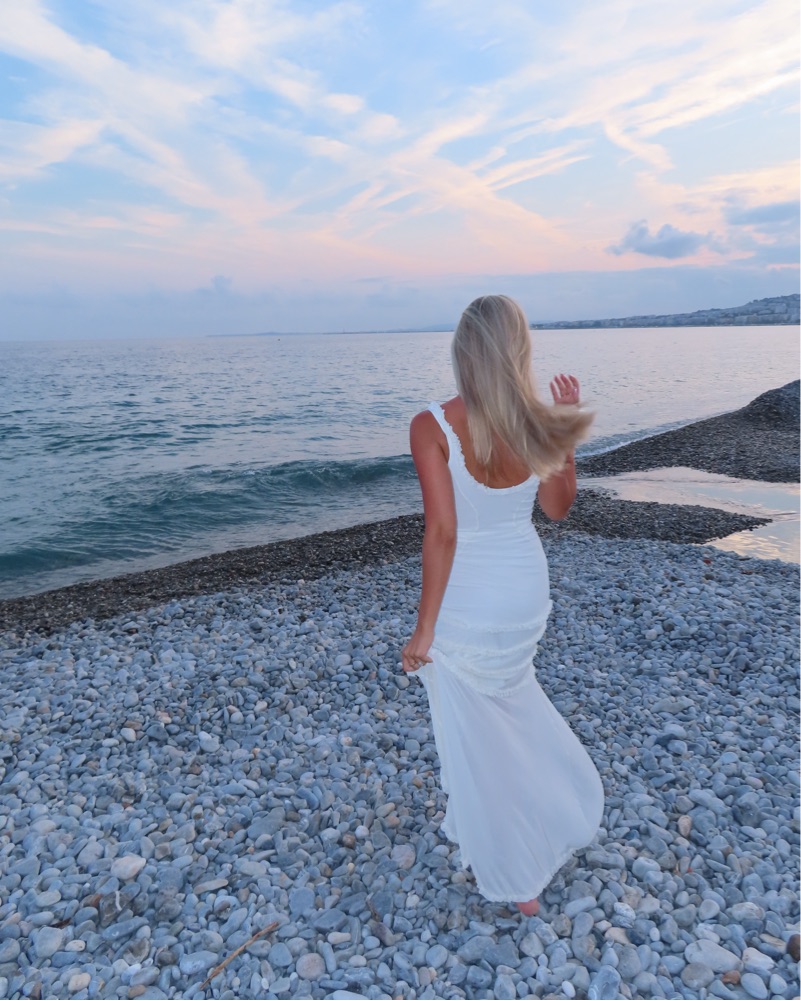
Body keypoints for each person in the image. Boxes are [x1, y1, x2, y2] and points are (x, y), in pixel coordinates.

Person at [401, 294, 604, 916]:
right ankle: (530, 816)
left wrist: (423, 630)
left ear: (463, 350)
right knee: (504, 709)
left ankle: (518, 874)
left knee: (478, 731)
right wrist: (564, 427)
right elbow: (557, 510)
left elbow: (443, 533)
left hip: (471, 599)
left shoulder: (431, 426)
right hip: (524, 593)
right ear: (518, 350)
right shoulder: (537, 419)